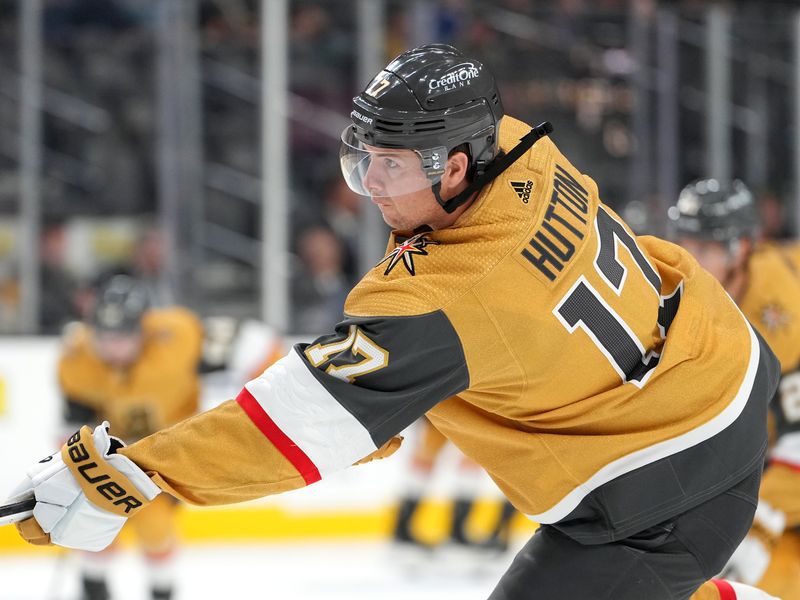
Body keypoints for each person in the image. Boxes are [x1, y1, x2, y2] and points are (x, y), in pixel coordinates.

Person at [6, 44, 781, 600]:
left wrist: (132, 474)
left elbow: (298, 422)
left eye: (394, 167)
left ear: (454, 165)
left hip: (667, 483)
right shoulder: (517, 148)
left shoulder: (454, 299)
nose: (370, 185)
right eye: (363, 157)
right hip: (717, 368)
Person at [670, 179, 800, 600]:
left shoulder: (780, 307)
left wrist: (759, 528)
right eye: (686, 243)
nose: (690, 259)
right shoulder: (682, 290)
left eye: (704, 248)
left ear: (740, 248)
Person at [56, 275, 203, 600]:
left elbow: (252, 346)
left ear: (143, 329)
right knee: (94, 526)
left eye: (123, 336)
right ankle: (94, 589)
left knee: (154, 528)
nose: (114, 347)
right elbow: (72, 425)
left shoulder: (174, 339)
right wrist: (71, 469)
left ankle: (161, 592)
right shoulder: (79, 359)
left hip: (170, 455)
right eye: (105, 337)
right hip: (111, 459)